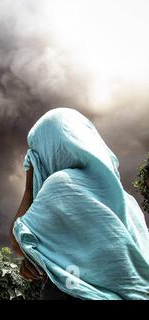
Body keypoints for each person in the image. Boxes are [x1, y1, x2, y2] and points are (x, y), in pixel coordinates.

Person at [10, 108, 149, 300]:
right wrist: (41, 260)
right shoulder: (129, 203)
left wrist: (29, 185)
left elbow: (17, 242)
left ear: (51, 147)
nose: (32, 157)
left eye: (36, 151)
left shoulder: (61, 184)